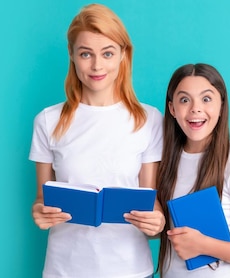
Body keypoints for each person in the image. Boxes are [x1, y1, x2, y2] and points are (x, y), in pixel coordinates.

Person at [29, 3, 165, 278]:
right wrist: (40, 213)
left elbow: (151, 200)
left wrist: (157, 221)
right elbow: (42, 199)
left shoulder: (148, 119)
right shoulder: (47, 120)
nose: (97, 65)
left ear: (123, 55)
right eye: (85, 54)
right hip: (64, 269)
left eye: (107, 53)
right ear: (72, 55)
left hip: (131, 270)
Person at [156, 63, 230, 277]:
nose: (195, 108)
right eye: (185, 100)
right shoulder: (165, 162)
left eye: (206, 99)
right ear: (172, 109)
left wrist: (203, 245)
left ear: (221, 105)